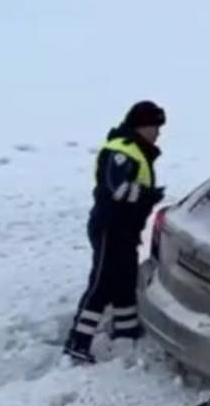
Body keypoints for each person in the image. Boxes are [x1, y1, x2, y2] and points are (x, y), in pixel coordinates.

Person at [64, 100, 165, 364]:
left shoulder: (138, 150)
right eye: (155, 126)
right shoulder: (121, 150)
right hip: (110, 227)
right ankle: (78, 341)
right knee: (101, 283)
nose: (158, 132)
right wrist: (148, 195)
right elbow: (116, 189)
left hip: (127, 230)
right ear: (141, 126)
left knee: (125, 279)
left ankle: (126, 331)